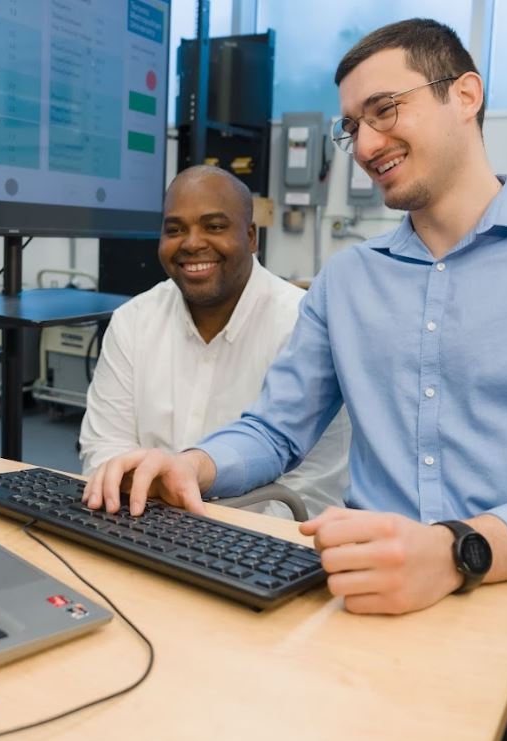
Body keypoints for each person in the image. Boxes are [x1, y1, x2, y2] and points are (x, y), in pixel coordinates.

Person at [84, 18, 507, 741]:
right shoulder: (347, 280)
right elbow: (274, 427)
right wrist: (191, 462)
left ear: (465, 95)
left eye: (384, 111)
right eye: (350, 126)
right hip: (362, 588)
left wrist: (459, 550)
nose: (362, 146)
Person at [80, 165, 351, 517]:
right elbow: (104, 449)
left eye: (215, 227)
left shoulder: (304, 325)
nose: (192, 243)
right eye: (175, 230)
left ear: (251, 237)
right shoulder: (133, 320)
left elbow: (315, 487)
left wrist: (226, 547)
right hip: (142, 528)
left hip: (260, 550)